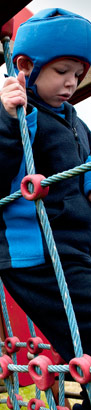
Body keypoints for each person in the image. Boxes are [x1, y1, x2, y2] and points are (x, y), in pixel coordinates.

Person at [0, 8, 91, 409]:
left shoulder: (73, 119)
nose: (71, 83)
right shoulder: (20, 114)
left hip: (77, 246)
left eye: (79, 74)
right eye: (62, 71)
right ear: (25, 67)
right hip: (35, 253)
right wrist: (5, 119)